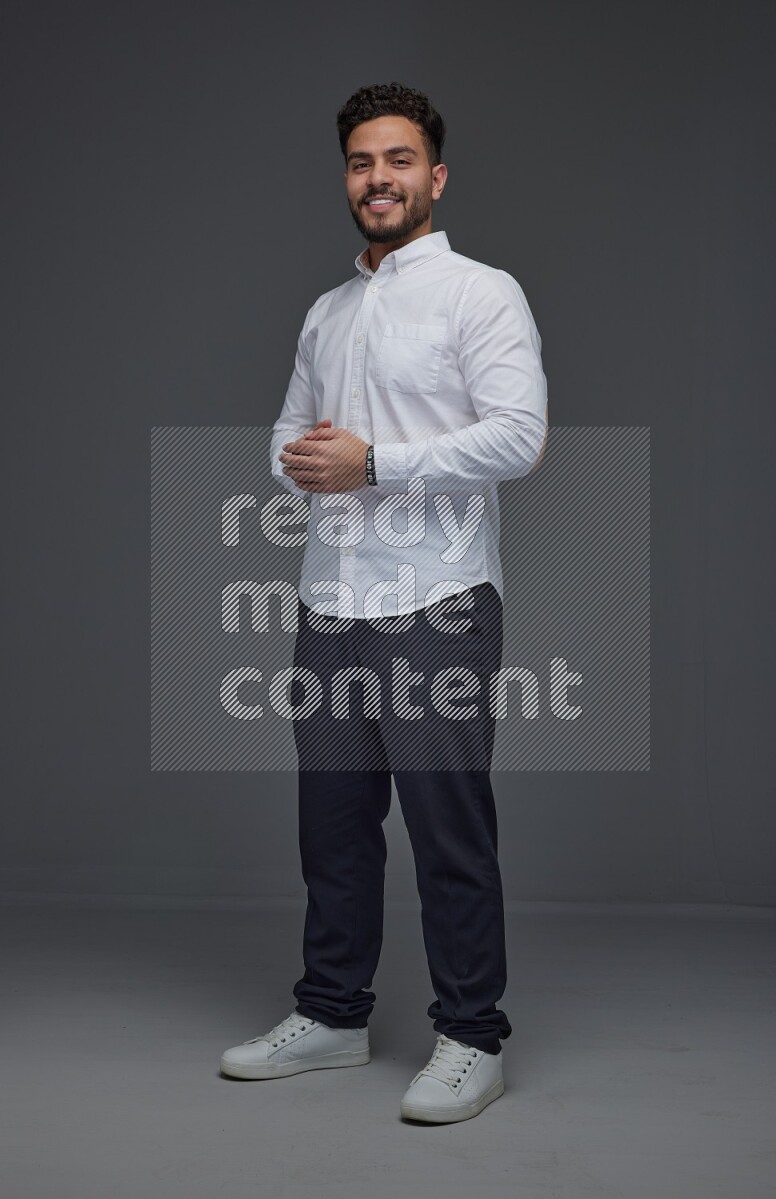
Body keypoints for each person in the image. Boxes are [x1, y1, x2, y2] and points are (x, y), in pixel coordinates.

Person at [220, 81, 548, 1124]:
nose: (378, 179)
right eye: (362, 162)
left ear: (434, 176)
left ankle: (471, 1034)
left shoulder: (479, 294)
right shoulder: (328, 311)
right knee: (333, 826)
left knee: (448, 828)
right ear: (348, 177)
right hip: (329, 603)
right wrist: (307, 462)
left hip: (436, 600)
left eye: (398, 160)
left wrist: (374, 461)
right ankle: (331, 1012)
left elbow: (516, 436)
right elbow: (284, 445)